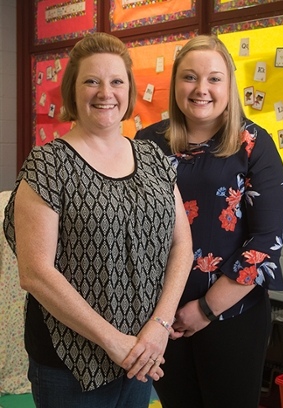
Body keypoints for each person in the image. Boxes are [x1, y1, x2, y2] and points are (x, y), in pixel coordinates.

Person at [3, 32, 193, 408]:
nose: (105, 92)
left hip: (141, 352)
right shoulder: (48, 165)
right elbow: (35, 272)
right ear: (72, 90)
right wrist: (114, 341)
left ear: (129, 91)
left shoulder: (153, 158)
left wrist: (158, 328)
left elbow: (182, 245)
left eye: (116, 81)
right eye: (91, 80)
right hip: (68, 362)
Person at [135, 34, 283, 408]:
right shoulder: (145, 143)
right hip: (162, 320)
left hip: (232, 314)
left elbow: (267, 242)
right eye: (189, 77)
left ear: (229, 85)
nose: (201, 89)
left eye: (214, 79)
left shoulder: (253, 143)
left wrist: (204, 309)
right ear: (175, 85)